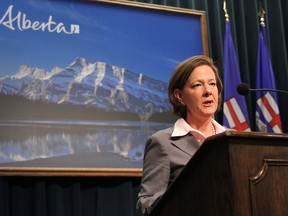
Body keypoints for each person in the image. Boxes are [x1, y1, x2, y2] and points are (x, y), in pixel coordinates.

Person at [136, 55, 226, 215]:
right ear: (180, 96)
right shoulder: (162, 143)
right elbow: (147, 205)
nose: (207, 91)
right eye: (198, 85)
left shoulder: (231, 139)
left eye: (212, 84)